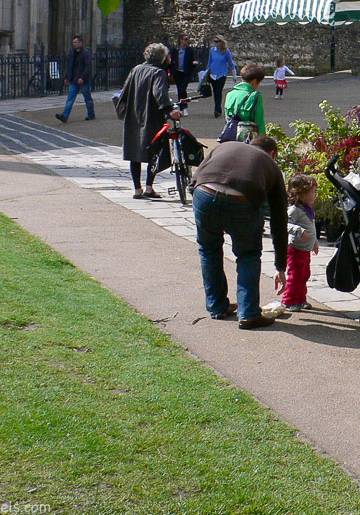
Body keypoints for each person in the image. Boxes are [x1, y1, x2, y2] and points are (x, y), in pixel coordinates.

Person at [190, 134, 288, 329]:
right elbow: (279, 219)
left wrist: (211, 210)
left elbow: (193, 181)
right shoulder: (270, 164)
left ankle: (217, 306)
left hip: (204, 192)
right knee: (248, 255)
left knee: (209, 249)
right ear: (272, 153)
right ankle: (249, 313)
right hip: (243, 199)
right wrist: (281, 266)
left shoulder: (224, 146)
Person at [119, 42, 180, 199]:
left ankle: (137, 189)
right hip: (151, 117)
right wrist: (169, 109)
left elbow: (123, 94)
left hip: (133, 117)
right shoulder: (158, 72)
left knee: (135, 154)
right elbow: (159, 93)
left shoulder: (135, 70)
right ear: (162, 57)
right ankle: (148, 188)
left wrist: (124, 112)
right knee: (154, 153)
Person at [278, 173, 321, 312]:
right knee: (295, 276)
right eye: (313, 192)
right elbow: (284, 224)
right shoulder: (294, 210)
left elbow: (311, 228)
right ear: (301, 194)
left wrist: (314, 242)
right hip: (295, 250)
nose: (315, 195)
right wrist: (298, 230)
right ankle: (289, 301)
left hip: (305, 250)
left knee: (304, 275)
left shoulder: (307, 209)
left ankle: (300, 299)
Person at [56, 35, 95, 123]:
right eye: (73, 42)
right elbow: (70, 66)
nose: (74, 44)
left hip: (83, 80)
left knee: (87, 97)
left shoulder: (86, 53)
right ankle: (65, 116)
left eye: (76, 42)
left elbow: (88, 67)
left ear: (80, 43)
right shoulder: (72, 53)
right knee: (70, 98)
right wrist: (67, 77)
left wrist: (82, 77)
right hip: (74, 80)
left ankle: (91, 114)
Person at [222, 64, 267, 140]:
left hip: (231, 136)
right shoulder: (255, 95)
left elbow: (227, 119)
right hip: (248, 138)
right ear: (254, 81)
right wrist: (263, 140)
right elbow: (259, 122)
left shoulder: (230, 93)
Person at [206, 37, 236, 118]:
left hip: (222, 74)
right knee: (215, 92)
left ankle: (217, 110)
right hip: (212, 74)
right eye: (215, 41)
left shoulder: (226, 51)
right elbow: (210, 62)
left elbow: (230, 63)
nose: (216, 43)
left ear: (221, 42)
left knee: (218, 92)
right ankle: (217, 108)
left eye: (217, 41)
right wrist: (206, 73)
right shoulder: (212, 50)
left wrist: (234, 74)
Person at [170, 35, 198, 103]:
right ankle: (182, 104)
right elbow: (172, 60)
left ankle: (183, 103)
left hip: (186, 72)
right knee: (179, 89)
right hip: (177, 72)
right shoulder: (175, 50)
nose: (186, 41)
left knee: (183, 88)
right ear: (180, 40)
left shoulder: (189, 50)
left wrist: (194, 63)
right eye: (185, 39)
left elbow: (192, 59)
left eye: (187, 39)